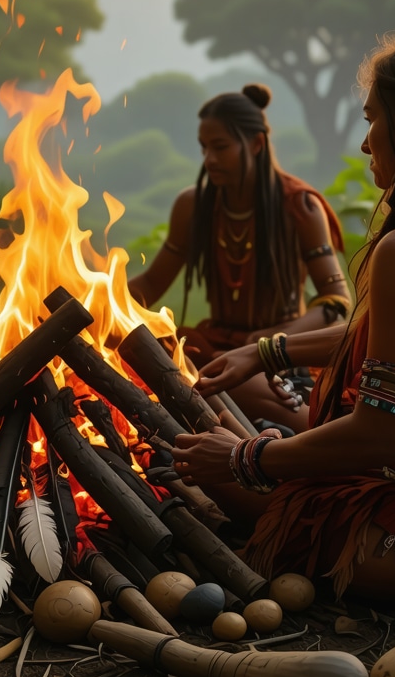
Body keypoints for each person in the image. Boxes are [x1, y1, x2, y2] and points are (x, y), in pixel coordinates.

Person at [174, 28, 395, 603]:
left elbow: (380, 437)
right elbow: (394, 340)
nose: (364, 143)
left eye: (371, 120)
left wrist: (244, 458)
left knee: (188, 453)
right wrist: (265, 351)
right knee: (227, 412)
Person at [128, 84, 350, 430]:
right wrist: (100, 302)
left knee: (216, 378)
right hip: (213, 346)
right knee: (160, 353)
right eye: (204, 148)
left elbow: (336, 302)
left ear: (257, 144)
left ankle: (315, 430)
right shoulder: (192, 206)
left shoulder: (301, 206)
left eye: (220, 147)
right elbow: (152, 283)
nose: (209, 159)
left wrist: (267, 344)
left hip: (282, 349)